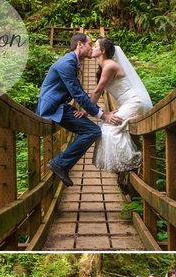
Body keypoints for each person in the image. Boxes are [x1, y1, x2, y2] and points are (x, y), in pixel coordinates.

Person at [36, 33, 122, 187]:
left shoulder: (72, 62)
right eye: (90, 44)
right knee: (93, 131)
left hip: (60, 106)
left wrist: (87, 101)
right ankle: (60, 163)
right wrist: (103, 115)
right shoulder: (67, 63)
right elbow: (77, 93)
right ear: (80, 45)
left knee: (92, 130)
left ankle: (61, 163)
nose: (91, 48)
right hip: (52, 108)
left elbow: (77, 91)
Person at [90, 37, 154, 173]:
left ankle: (132, 161)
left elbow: (98, 91)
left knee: (109, 126)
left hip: (134, 101)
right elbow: (96, 93)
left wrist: (86, 111)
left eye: (95, 46)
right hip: (128, 102)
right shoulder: (104, 66)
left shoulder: (110, 65)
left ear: (102, 50)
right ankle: (127, 165)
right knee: (112, 125)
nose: (92, 48)